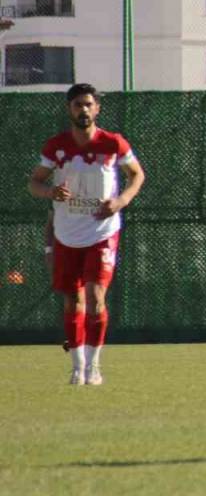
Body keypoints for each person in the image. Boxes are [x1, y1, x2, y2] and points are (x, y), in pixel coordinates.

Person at [27, 83, 145, 386]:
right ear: (70, 109)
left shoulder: (113, 143)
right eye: (78, 104)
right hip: (67, 233)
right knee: (72, 300)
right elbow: (34, 183)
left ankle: (94, 366)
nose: (84, 110)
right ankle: (77, 367)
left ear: (97, 108)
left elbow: (137, 174)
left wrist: (121, 201)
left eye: (88, 104)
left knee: (95, 297)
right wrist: (51, 191)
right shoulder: (56, 146)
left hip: (103, 231)